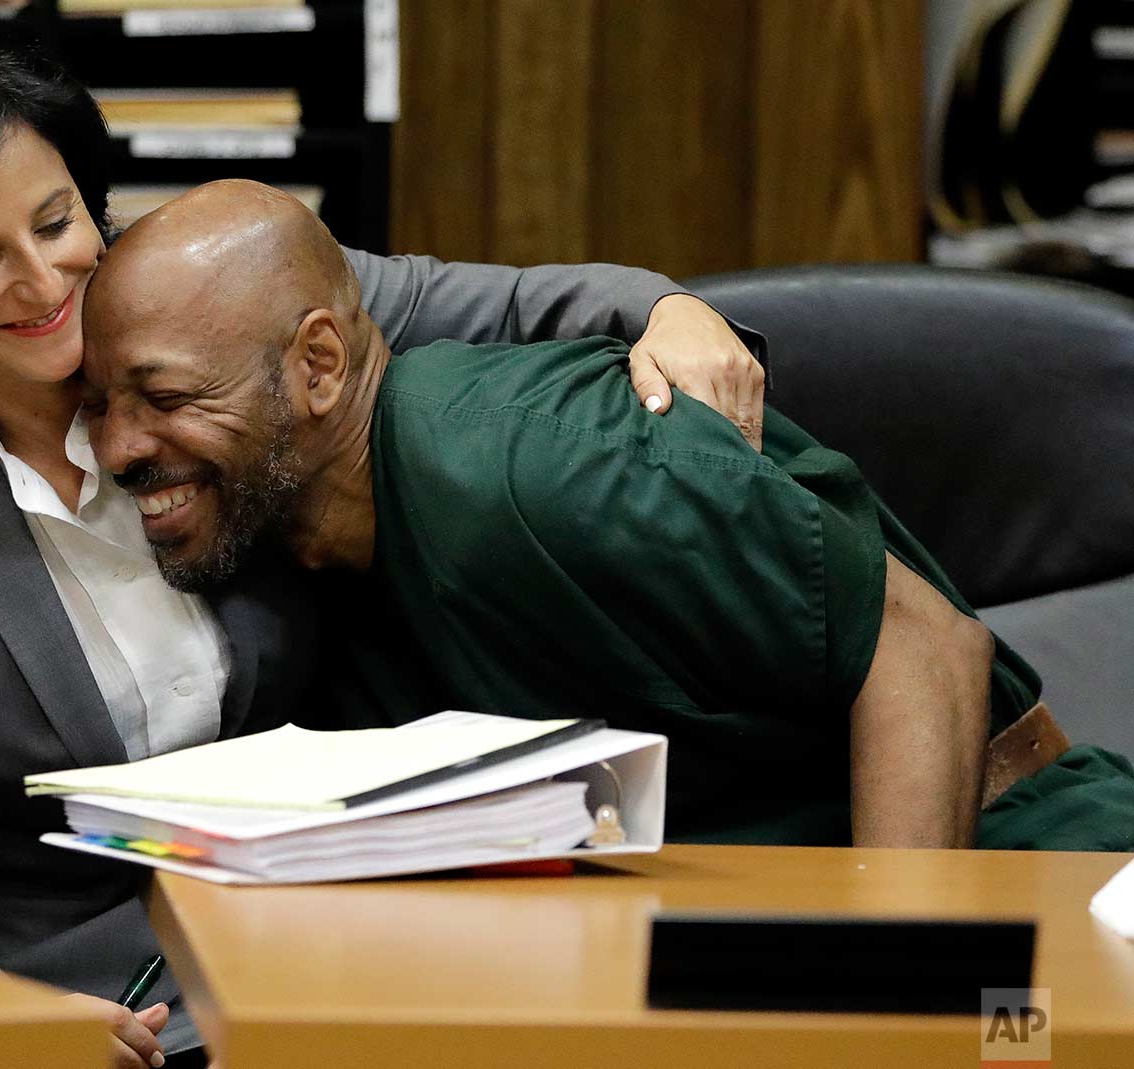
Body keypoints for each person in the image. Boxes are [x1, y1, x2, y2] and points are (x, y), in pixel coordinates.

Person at [0, 23, 767, 1069]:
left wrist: (668, 306)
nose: (48, 281)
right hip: (95, 1019)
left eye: (57, 223)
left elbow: (507, 300)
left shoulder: (207, 299)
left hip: (349, 949)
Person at [80, 180, 1134, 853]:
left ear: (318, 366)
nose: (120, 448)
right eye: (99, 406)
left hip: (1022, 870)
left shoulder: (526, 468)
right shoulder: (313, 545)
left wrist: (895, 1008)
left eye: (165, 398)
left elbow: (927, 649)